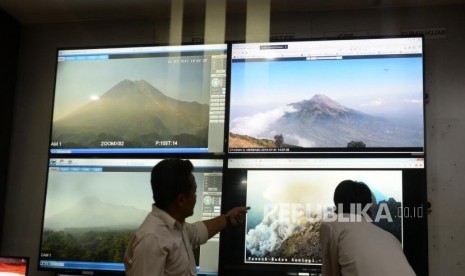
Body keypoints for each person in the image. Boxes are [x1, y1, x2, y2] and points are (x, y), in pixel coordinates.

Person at [124, 158, 248, 276]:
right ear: (181, 199)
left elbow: (197, 232)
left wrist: (228, 218)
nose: (195, 197)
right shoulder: (152, 239)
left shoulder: (175, 225)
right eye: (194, 192)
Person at [319, 180, 416, 276]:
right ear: (369, 213)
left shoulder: (330, 225)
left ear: (336, 207)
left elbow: (330, 272)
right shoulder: (392, 239)